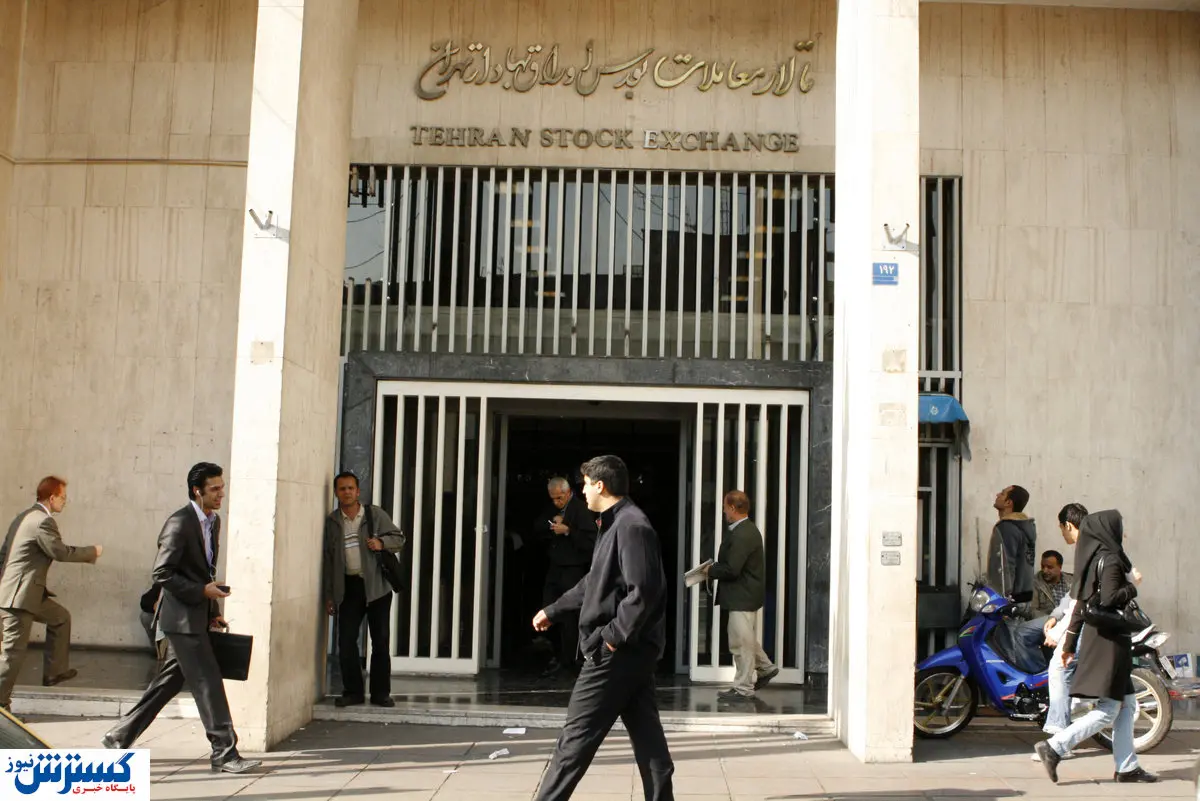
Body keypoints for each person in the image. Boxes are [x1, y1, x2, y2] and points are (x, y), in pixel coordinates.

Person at [102, 463, 261, 775]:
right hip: (181, 620)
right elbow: (162, 573)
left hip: (197, 617)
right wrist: (201, 592)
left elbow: (206, 573)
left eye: (222, 487)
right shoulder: (179, 523)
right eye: (214, 489)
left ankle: (118, 736)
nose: (221, 494)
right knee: (208, 683)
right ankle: (224, 752)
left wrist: (213, 612)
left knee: (169, 682)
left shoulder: (213, 522)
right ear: (197, 491)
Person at [532, 455, 674, 801]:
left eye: (585, 484)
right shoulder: (613, 523)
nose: (582, 491)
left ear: (600, 485)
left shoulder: (631, 526)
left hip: (617, 654)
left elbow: (644, 592)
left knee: (574, 740)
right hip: (631, 653)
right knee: (649, 741)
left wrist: (610, 639)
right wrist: (554, 610)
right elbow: (595, 581)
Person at [1034, 510, 1158, 784]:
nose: (1122, 532)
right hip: (1109, 643)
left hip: (1102, 639)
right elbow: (1110, 598)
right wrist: (1132, 587)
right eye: (1119, 527)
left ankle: (1127, 767)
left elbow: (1079, 606)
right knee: (1110, 708)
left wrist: (1068, 645)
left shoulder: (1091, 560)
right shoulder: (1111, 560)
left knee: (1127, 705)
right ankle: (1054, 747)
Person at [0, 477, 101, 713]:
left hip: (24, 592)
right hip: (18, 597)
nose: (65, 502)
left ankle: (55, 672)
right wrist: (92, 552)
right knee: (11, 655)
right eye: (63, 498)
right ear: (52, 497)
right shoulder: (43, 521)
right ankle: (2, 707)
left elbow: (3, 554)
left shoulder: (23, 517)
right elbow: (59, 551)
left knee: (60, 618)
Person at [322, 471, 406, 708]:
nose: (347, 492)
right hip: (348, 588)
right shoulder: (333, 521)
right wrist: (330, 595)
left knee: (380, 641)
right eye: (342, 489)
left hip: (377, 586)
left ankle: (380, 693)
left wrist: (381, 543)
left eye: (351, 488)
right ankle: (353, 692)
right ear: (336, 493)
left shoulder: (374, 515)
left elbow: (399, 538)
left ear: (358, 491)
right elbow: (329, 560)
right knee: (347, 641)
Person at [702, 490, 778, 700]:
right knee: (745, 638)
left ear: (733, 508)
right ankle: (766, 668)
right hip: (743, 595)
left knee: (740, 644)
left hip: (741, 596)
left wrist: (710, 570)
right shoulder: (745, 531)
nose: (724, 511)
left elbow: (732, 569)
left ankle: (743, 688)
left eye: (725, 507)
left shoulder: (742, 534)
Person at [535, 477, 598, 677]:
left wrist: (568, 530)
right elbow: (537, 527)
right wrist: (551, 525)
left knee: (570, 615)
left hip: (574, 569)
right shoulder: (552, 509)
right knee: (549, 609)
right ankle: (555, 655)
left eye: (560, 498)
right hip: (555, 567)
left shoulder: (581, 510)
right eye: (553, 498)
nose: (557, 502)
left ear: (568, 492)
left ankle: (570, 659)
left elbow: (591, 541)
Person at [986, 485, 1037, 602]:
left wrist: (1003, 598)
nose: (997, 495)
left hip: (1010, 600)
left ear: (1008, 502)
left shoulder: (1007, 527)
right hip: (1025, 595)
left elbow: (1006, 566)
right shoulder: (1025, 526)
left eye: (1002, 493)